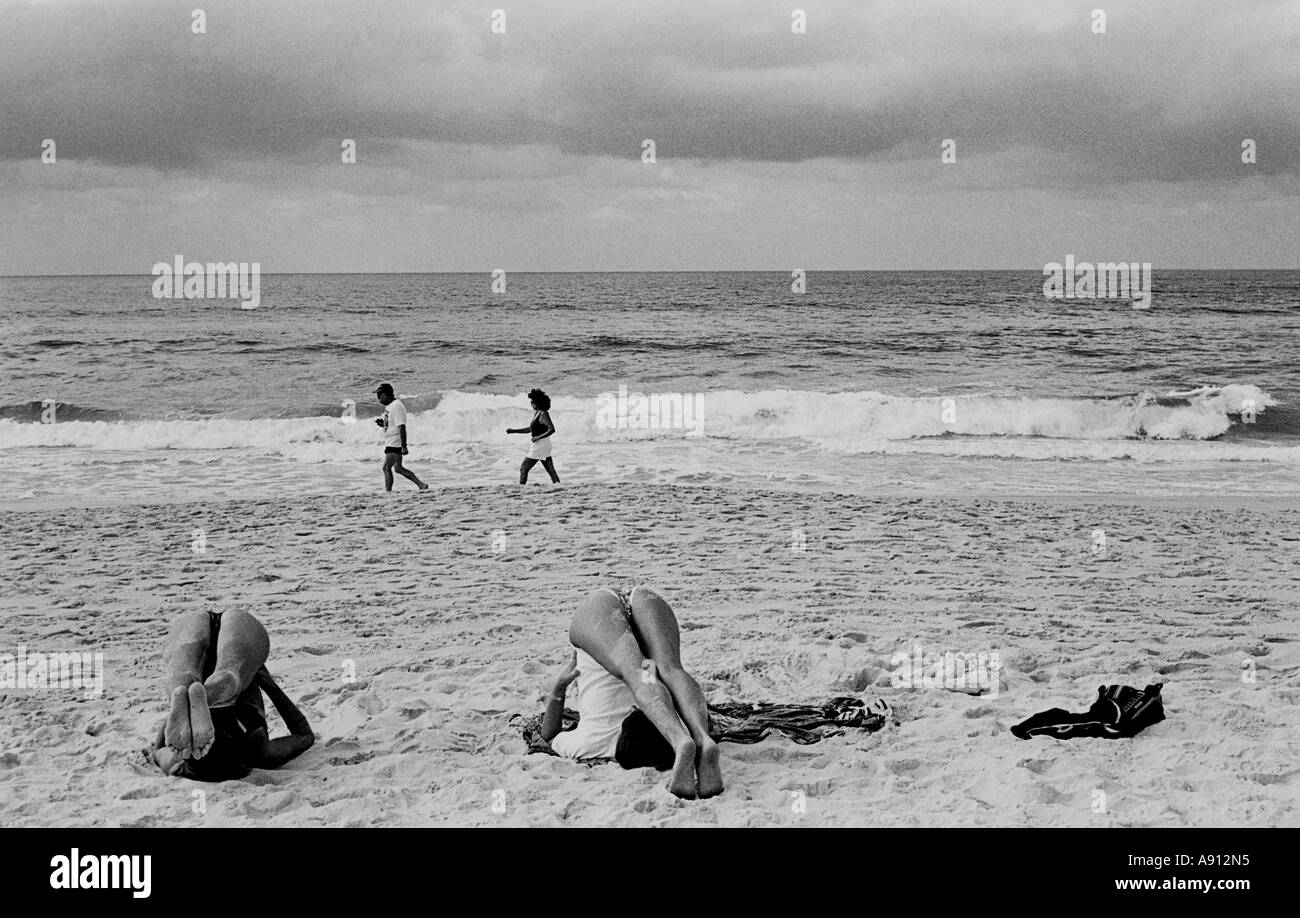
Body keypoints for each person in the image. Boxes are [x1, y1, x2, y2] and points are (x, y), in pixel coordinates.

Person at [540, 586, 723, 799]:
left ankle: (689, 738)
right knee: (670, 668)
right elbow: (550, 734)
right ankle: (701, 738)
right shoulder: (591, 742)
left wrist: (559, 685)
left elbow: (548, 736)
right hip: (610, 625)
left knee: (640, 673)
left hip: (623, 627)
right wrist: (560, 688)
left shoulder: (681, 721)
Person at [150, 610, 314, 781]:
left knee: (230, 674)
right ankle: (191, 689)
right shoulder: (175, 763)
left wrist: (268, 683)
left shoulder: (259, 752)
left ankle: (212, 688)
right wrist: (183, 706)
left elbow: (304, 736)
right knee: (196, 675)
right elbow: (157, 751)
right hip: (208, 629)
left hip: (237, 633)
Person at [374, 382, 429, 492]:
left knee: (386, 467)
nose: (378, 397)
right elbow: (393, 424)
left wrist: (404, 446)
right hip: (391, 441)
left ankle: (388, 492)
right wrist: (383, 424)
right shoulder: (390, 406)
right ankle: (421, 484)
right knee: (398, 468)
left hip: (395, 442)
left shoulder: (397, 406)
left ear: (387, 394)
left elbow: (401, 427)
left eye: (380, 394)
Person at [506, 388, 559, 484]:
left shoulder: (543, 414)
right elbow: (530, 429)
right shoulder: (537, 413)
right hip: (544, 444)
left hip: (540, 445)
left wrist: (537, 438)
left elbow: (552, 429)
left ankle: (521, 488)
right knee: (551, 471)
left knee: (523, 468)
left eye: (532, 402)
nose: (531, 404)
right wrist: (514, 431)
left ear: (537, 402)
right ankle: (558, 486)